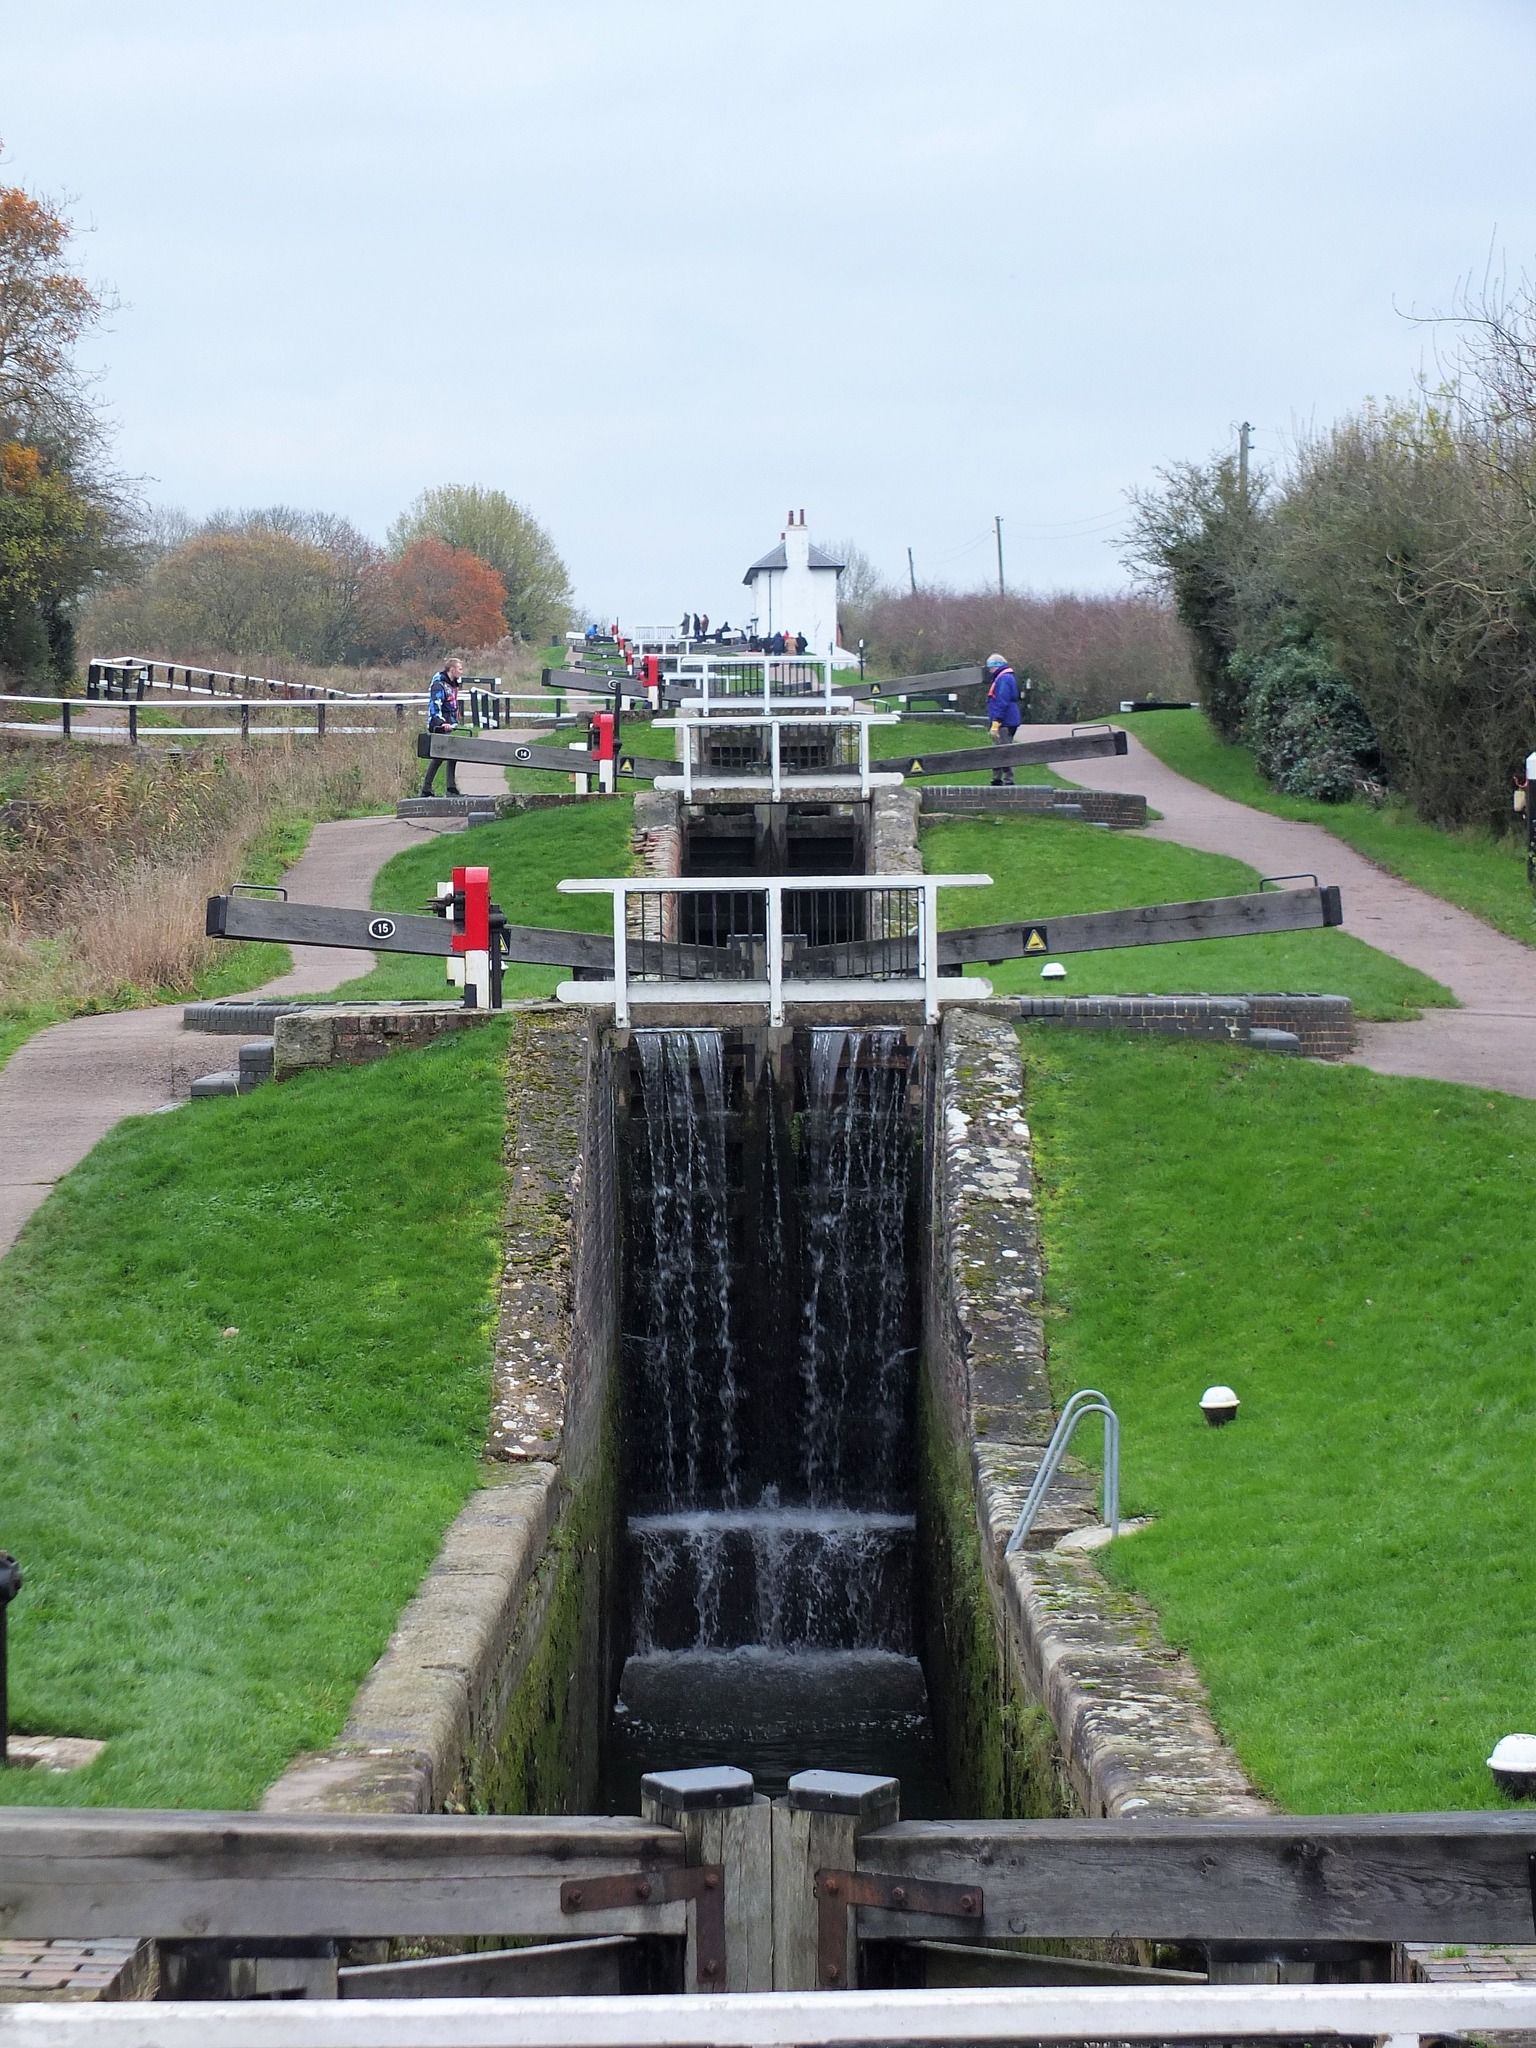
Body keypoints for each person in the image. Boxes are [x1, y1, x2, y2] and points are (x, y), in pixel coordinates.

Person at [419, 657, 464, 796]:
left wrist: (455, 719)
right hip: (439, 725)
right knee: (443, 754)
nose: (462, 672)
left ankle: (444, 787)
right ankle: (431, 788)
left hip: (449, 724)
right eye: (460, 669)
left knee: (448, 754)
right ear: (452, 669)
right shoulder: (439, 684)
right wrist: (441, 723)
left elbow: (451, 703)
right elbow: (435, 704)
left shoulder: (452, 684)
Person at [985, 653, 1021, 785]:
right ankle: (997, 778)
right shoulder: (1005, 677)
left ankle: (1007, 780)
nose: (990, 670)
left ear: (997, 666)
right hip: (1006, 720)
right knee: (999, 749)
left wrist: (996, 721)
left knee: (1003, 750)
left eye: (991, 667)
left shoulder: (1004, 679)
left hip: (1005, 721)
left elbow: (1002, 700)